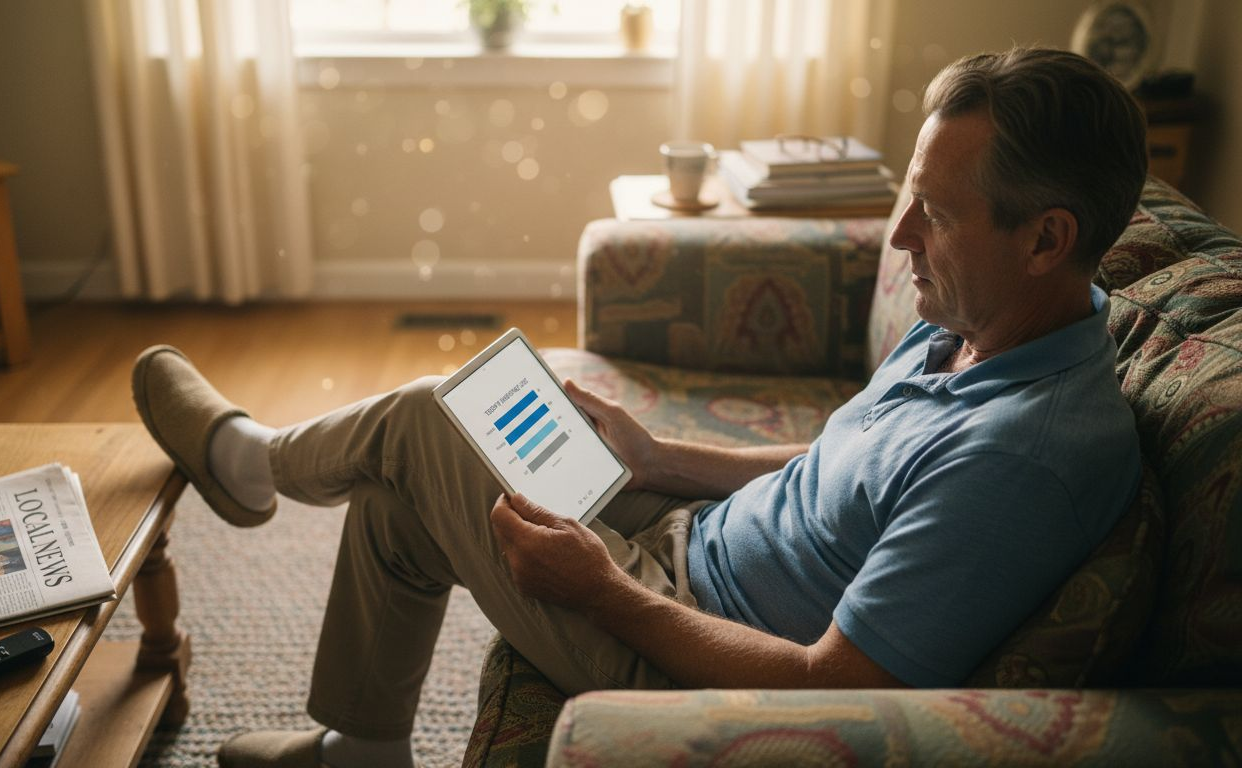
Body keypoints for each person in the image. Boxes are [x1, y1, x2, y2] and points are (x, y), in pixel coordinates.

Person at [131, 47, 1147, 768]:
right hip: (681, 545)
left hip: (684, 649)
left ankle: (250, 465)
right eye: (908, 203)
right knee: (413, 486)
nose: (899, 242)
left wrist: (604, 592)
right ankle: (366, 751)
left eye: (935, 215)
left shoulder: (1022, 458)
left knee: (425, 420)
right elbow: (841, 474)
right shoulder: (983, 320)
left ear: (1046, 237)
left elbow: (833, 686)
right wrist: (658, 458)